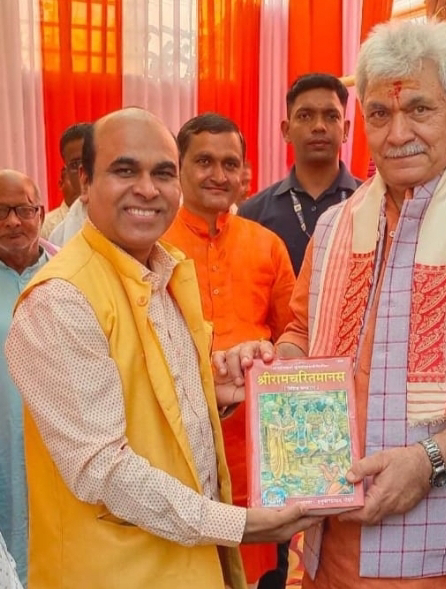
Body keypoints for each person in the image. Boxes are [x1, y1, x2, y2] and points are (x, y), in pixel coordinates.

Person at [215, 20, 446, 589]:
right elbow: (303, 332)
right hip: (342, 543)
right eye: (380, 113)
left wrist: (429, 461)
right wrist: (271, 364)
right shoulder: (336, 226)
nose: (398, 133)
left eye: (419, 109)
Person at [5, 107, 319, 589]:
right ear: (85, 183)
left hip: (191, 567)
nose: (147, 189)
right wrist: (237, 524)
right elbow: (101, 468)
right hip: (115, 574)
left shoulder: (163, 272)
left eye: (163, 173)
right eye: (125, 170)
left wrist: (214, 389)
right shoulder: (60, 299)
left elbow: (151, 405)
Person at [163, 112, 296, 588]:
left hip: (255, 457)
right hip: (176, 456)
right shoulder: (153, 246)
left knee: (257, 577)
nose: (218, 175)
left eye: (230, 163)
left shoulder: (267, 246)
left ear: (244, 173)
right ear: (179, 167)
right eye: (204, 161)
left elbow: (294, 336)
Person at [238, 73, 362, 274]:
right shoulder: (253, 214)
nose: (319, 126)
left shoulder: (374, 204)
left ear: (346, 130)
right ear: (286, 130)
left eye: (331, 116)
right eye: (305, 116)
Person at [0, 169, 54, 587]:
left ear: (41, 213)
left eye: (22, 210)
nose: (12, 222)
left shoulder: (68, 273)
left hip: (60, 438)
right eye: (0, 212)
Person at [41, 123, 91, 238]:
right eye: (75, 165)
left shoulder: (127, 216)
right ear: (66, 171)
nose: (83, 171)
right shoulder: (57, 237)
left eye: (88, 160)